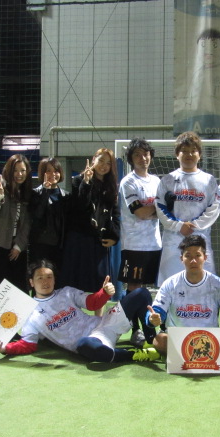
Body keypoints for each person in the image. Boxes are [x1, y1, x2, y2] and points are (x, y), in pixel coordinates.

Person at [0, 259, 160, 363]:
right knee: (85, 346)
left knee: (141, 293)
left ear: (54, 279)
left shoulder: (67, 292)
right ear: (31, 282)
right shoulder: (30, 314)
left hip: (105, 323)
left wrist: (104, 292)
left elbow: (92, 303)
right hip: (92, 340)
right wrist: (5, 348)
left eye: (49, 277)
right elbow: (28, 344)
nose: (45, 282)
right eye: (40, 278)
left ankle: (152, 342)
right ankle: (134, 355)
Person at [146, 235, 220, 357]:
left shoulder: (218, 284)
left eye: (197, 255)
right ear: (181, 258)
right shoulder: (170, 283)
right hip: (179, 337)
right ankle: (207, 356)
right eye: (188, 256)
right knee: (160, 340)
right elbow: (156, 311)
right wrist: (152, 318)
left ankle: (186, 356)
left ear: (205, 257)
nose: (193, 261)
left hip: (209, 338)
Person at [155, 131, 220, 285]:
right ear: (177, 154)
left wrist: (194, 225)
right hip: (173, 242)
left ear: (199, 155)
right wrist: (179, 226)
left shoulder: (209, 180)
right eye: (184, 151)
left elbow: (215, 207)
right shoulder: (167, 180)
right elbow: (160, 207)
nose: (189, 154)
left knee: (205, 285)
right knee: (171, 285)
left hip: (200, 239)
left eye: (193, 151)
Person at [61, 148, 121, 306]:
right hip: (79, 239)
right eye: (101, 161)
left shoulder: (111, 186)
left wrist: (114, 236)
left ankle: (98, 318)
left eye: (108, 163)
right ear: (93, 159)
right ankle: (74, 316)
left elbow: (115, 214)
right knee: (75, 282)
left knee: (99, 283)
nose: (103, 166)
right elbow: (80, 206)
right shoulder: (78, 180)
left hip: (98, 241)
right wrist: (86, 182)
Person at [118, 138, 161, 347]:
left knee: (154, 288)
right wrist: (159, 210)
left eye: (146, 154)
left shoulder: (157, 181)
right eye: (137, 155)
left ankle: (152, 329)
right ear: (131, 159)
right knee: (134, 288)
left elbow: (156, 211)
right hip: (134, 244)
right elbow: (141, 212)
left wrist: (156, 211)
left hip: (155, 244)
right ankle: (135, 330)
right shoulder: (128, 182)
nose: (143, 158)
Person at [0, 154, 32, 305]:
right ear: (9, 171)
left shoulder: (27, 191)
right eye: (15, 170)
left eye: (23, 170)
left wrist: (19, 246)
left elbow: (27, 223)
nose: (19, 174)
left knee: (19, 287)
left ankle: (17, 319)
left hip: (16, 247)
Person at [28, 157, 70, 268]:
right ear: (42, 173)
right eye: (48, 171)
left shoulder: (66, 196)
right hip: (40, 247)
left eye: (56, 171)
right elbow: (37, 215)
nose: (53, 174)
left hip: (60, 247)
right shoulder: (35, 193)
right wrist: (45, 192)